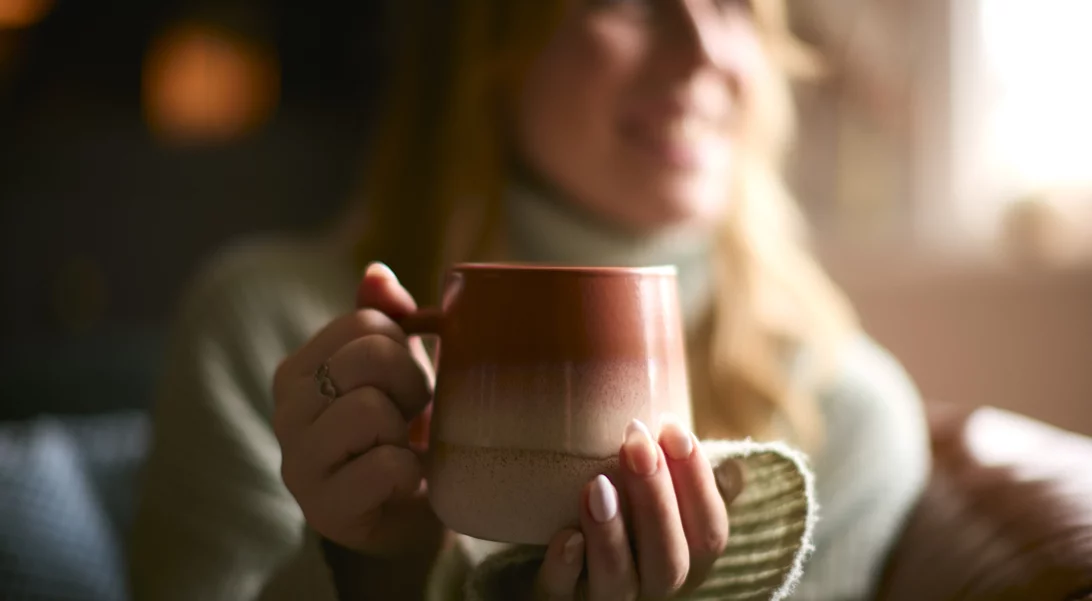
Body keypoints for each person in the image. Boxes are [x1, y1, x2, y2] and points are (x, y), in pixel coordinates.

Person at [128, 1, 930, 600]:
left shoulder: (841, 412)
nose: (704, 50)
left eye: (735, 2)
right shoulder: (272, 331)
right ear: (491, 38)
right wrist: (371, 569)